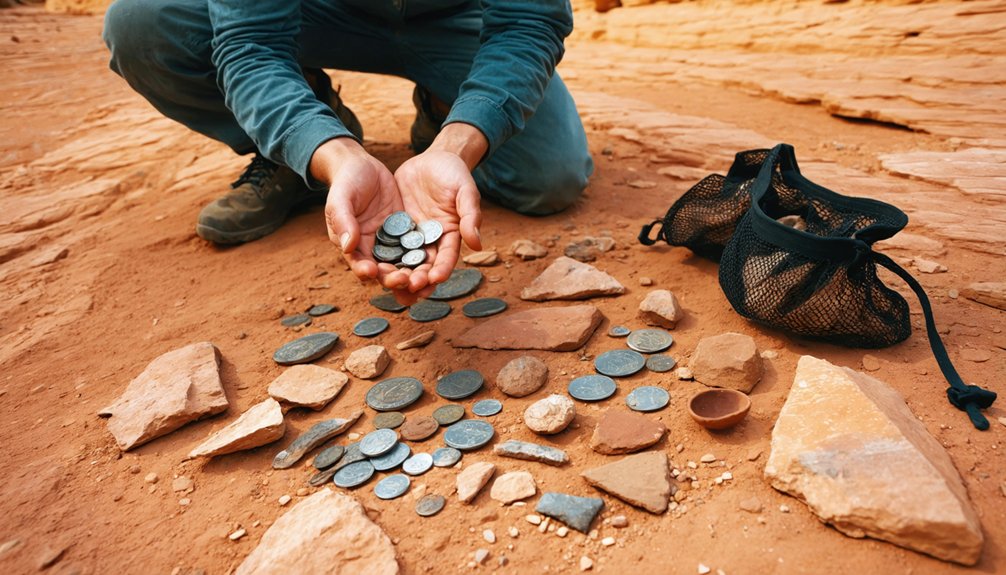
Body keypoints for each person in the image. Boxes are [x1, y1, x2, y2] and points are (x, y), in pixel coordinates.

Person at [102, 0, 593, 302]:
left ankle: (444, 108)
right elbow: (251, 44)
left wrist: (458, 141)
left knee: (550, 178)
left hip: (460, 17)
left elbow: (527, 24)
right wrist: (331, 151)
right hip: (320, 11)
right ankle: (301, 148)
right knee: (142, 23)